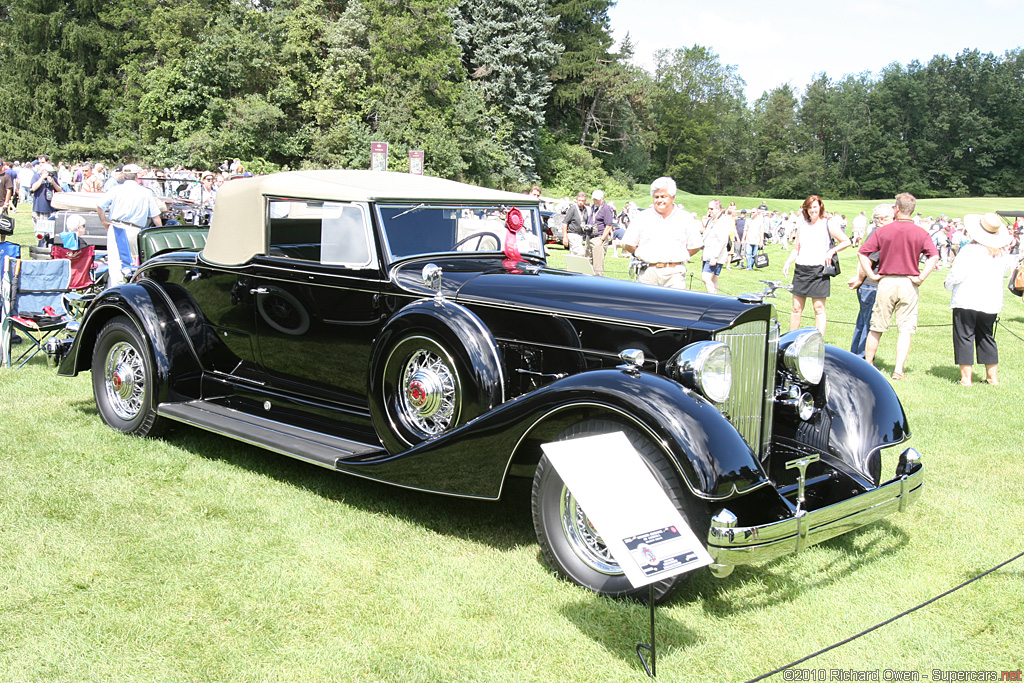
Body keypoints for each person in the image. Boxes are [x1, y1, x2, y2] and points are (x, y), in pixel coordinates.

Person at [857, 192, 939, 381]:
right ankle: (898, 369)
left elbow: (863, 253)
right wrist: (922, 276)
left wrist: (871, 275)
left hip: (886, 281)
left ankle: (868, 365)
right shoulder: (921, 232)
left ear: (897, 209)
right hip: (909, 283)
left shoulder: (883, 230)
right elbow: (933, 256)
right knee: (905, 328)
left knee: (876, 326)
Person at [943, 213, 1013, 386]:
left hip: (967, 299)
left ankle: (966, 378)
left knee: (964, 336)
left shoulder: (969, 250)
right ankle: (992, 377)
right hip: (991, 300)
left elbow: (957, 274)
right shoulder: (1002, 254)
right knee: (986, 336)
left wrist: (947, 283)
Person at [782, 195, 851, 334]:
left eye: (815, 207)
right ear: (805, 209)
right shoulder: (802, 226)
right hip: (801, 270)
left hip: (819, 271)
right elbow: (796, 248)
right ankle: (791, 339)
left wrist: (831, 251)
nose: (813, 210)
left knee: (819, 308)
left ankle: (817, 341)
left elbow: (846, 241)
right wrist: (788, 262)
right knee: (796, 308)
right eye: (809, 207)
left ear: (820, 207)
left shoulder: (828, 224)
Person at [621, 176, 702, 289]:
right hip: (647, 273)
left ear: (672, 198)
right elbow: (629, 243)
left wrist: (680, 256)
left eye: (664, 197)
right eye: (656, 197)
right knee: (644, 306)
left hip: (675, 275)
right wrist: (640, 254)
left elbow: (695, 245)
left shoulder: (685, 218)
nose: (659, 200)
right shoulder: (643, 217)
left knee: (673, 306)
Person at [96, 163, 163, 288]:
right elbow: (155, 217)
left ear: (124, 175)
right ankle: (132, 289)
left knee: (115, 263)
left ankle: (116, 289)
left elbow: (100, 206)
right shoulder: (145, 192)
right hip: (134, 229)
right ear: (137, 176)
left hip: (116, 227)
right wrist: (161, 232)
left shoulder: (115, 190)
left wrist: (104, 221)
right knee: (134, 262)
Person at [848, 204, 893, 358]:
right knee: (869, 325)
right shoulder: (878, 234)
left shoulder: (876, 233)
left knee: (862, 323)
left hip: (868, 285)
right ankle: (862, 358)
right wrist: (861, 279)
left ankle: (854, 357)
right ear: (880, 219)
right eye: (889, 218)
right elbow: (866, 260)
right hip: (871, 285)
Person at [701, 199, 734, 293]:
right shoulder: (712, 220)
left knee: (705, 277)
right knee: (713, 279)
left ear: (719, 209)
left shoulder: (722, 221)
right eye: (708, 209)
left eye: (712, 209)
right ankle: (715, 298)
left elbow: (723, 241)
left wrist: (715, 257)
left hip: (715, 255)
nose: (709, 211)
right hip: (708, 253)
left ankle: (711, 298)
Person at [30, 161, 63, 240]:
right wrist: (42, 178)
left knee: (51, 231)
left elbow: (60, 190)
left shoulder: (53, 178)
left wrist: (53, 182)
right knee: (40, 232)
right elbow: (33, 188)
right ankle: (40, 244)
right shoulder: (36, 176)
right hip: (39, 208)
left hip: (50, 208)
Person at [586, 189, 615, 276]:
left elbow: (609, 226)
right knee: (588, 262)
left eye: (597, 199)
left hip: (599, 237)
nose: (595, 201)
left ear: (602, 199)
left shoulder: (606, 209)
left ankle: (597, 284)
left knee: (597, 265)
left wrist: (602, 239)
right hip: (589, 236)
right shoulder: (593, 207)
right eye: (594, 199)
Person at [561, 191, 587, 256]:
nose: (580, 202)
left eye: (582, 200)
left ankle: (570, 266)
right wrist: (565, 237)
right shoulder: (573, 209)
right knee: (581, 253)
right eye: (579, 200)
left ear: (585, 201)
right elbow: (565, 223)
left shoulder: (585, 210)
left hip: (580, 235)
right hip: (572, 234)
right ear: (577, 200)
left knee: (573, 255)